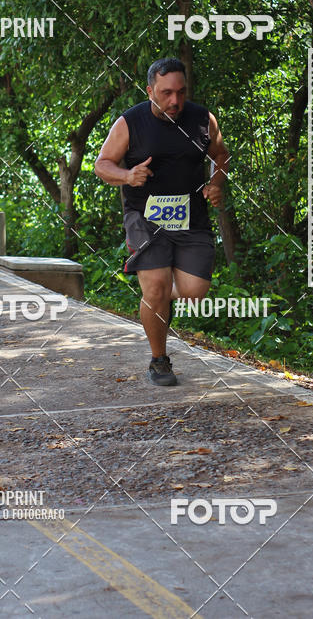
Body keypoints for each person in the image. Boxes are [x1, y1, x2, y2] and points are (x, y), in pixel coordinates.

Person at [95, 58, 229, 386]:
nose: (175, 101)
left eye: (181, 93)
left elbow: (221, 156)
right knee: (156, 287)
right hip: (145, 218)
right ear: (150, 90)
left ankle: (156, 298)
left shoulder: (203, 119)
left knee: (193, 292)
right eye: (167, 93)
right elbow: (102, 165)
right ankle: (159, 360)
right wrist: (127, 174)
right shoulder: (130, 122)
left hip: (191, 218)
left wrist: (215, 184)